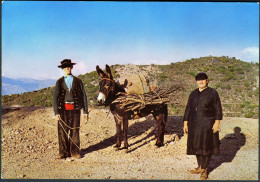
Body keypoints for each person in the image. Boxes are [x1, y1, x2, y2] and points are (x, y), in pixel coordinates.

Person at [183, 72, 223, 180]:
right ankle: (200, 167)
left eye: (203, 79)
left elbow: (218, 108)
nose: (201, 82)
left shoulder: (213, 93)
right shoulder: (193, 94)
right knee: (196, 145)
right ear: (196, 82)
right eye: (198, 80)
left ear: (207, 80)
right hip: (194, 124)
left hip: (207, 123)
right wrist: (185, 123)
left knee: (206, 146)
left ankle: (205, 169)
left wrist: (217, 122)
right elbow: (188, 108)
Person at [53, 59, 88, 159]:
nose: (67, 68)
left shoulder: (78, 81)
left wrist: (85, 111)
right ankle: (63, 152)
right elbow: (55, 97)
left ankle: (75, 152)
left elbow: (83, 96)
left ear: (71, 67)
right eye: (65, 67)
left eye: (69, 66)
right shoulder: (59, 82)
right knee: (62, 132)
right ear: (63, 69)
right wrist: (56, 112)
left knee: (75, 131)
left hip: (75, 109)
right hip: (62, 110)